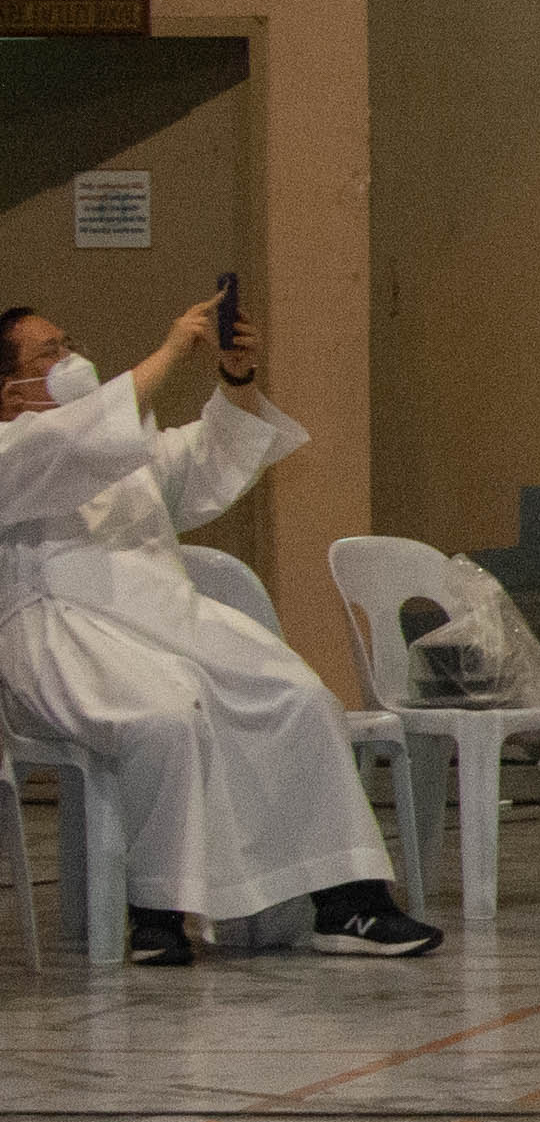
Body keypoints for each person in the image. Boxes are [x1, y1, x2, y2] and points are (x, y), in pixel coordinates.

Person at [0, 290, 441, 964]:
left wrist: (236, 378)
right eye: (48, 353)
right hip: (65, 637)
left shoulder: (125, 449)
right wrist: (173, 349)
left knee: (298, 695)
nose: (70, 358)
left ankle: (348, 902)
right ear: (9, 390)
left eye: (69, 343)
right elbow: (76, 441)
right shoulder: (14, 447)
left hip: (169, 621)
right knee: (163, 718)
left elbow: (206, 455)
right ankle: (158, 914)